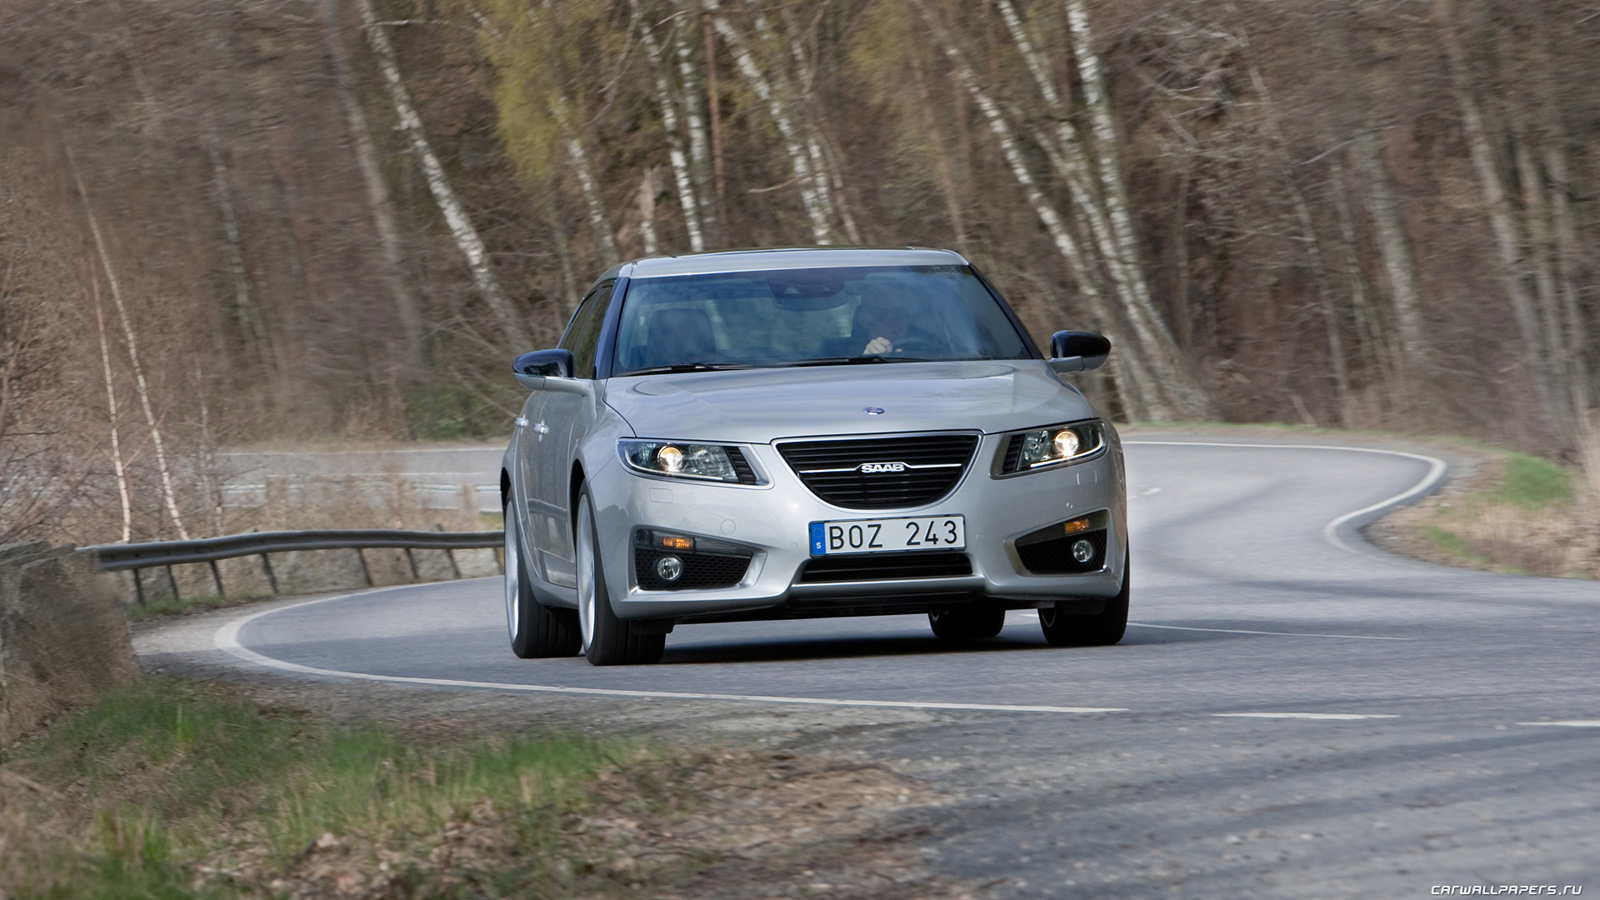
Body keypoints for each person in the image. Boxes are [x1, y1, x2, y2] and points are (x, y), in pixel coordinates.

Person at [854, 291, 917, 355]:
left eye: (897, 313)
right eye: (879, 314)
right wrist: (867, 360)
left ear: (908, 318)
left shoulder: (925, 353)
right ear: (864, 321)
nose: (889, 322)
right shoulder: (849, 358)